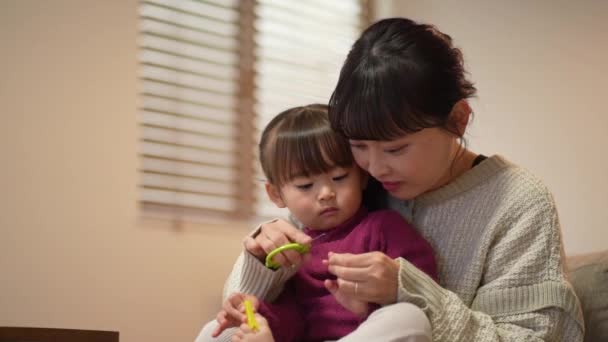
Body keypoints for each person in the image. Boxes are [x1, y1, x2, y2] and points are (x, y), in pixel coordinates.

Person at [197, 17, 585, 341]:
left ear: (458, 120)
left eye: (396, 149)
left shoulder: (518, 201)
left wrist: (410, 290)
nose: (375, 167)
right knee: (218, 331)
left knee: (404, 319)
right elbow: (241, 299)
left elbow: (535, 336)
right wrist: (261, 258)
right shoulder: (351, 180)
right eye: (359, 145)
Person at [202, 104, 437, 342]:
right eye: (305, 185)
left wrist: (371, 307)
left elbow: (423, 289)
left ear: (362, 176)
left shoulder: (384, 227)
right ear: (276, 195)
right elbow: (293, 317)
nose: (326, 193)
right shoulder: (293, 250)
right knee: (213, 332)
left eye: (339, 178)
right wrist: (259, 315)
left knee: (408, 317)